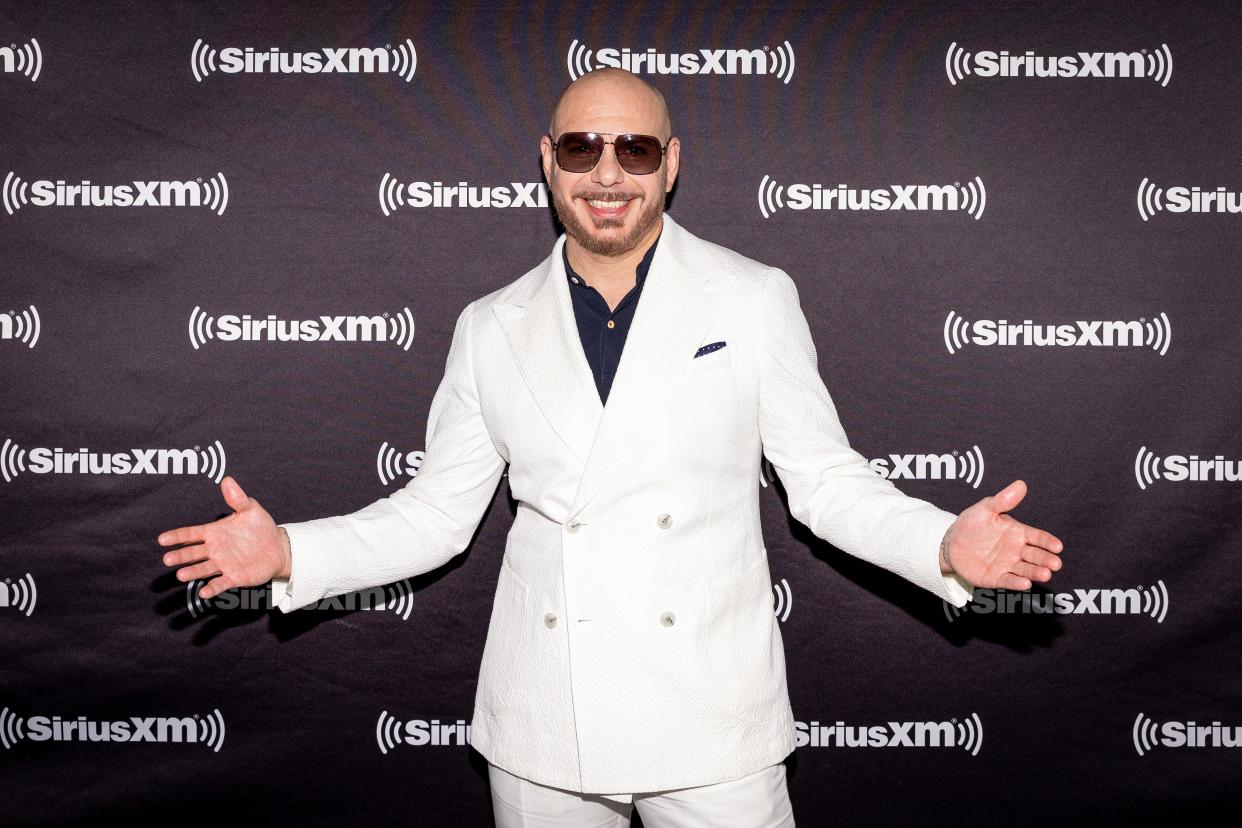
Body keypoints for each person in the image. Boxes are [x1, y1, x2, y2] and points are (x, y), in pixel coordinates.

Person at [158, 68, 1064, 827]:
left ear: (670, 166)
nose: (607, 174)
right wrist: (290, 553)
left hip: (712, 715)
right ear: (547, 163)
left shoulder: (751, 297)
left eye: (634, 150)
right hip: (547, 718)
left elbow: (823, 482)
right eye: (581, 148)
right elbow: (434, 514)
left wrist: (940, 544)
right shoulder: (489, 325)